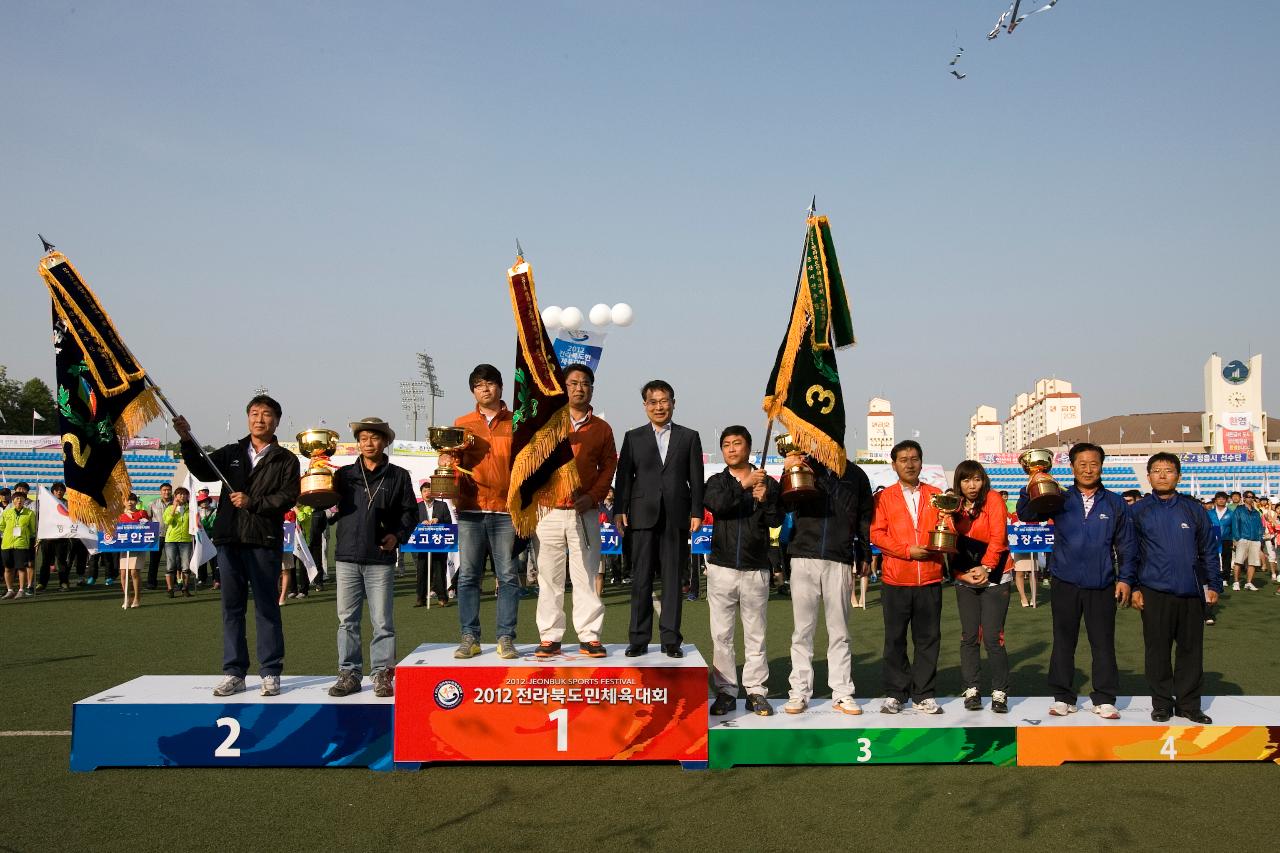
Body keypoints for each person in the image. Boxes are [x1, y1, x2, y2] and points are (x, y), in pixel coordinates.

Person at [174, 395, 300, 698]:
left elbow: (288, 497)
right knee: (232, 608)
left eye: (267, 414)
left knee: (267, 607)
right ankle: (234, 672)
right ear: (248, 418)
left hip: (264, 540)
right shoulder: (231, 452)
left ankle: (270, 671)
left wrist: (252, 502)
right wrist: (187, 440)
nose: (260, 419)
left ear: (276, 421)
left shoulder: (285, 459)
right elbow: (203, 471)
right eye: (254, 413)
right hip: (229, 540)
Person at [1017, 442, 1136, 720]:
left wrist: (1126, 579)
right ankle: (1063, 696)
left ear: (1101, 467)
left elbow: (1127, 545)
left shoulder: (1115, 502)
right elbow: (1026, 514)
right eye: (1082, 464)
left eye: (1093, 464)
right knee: (1063, 640)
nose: (1088, 469)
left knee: (1103, 641)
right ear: (1071, 467)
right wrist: (1032, 482)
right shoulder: (1059, 497)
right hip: (1065, 581)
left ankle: (1105, 697)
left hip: (1102, 582)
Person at [613, 379, 705, 658]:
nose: (659, 407)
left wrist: (697, 511)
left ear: (673, 403)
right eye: (653, 402)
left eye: (664, 401)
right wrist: (619, 509)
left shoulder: (689, 436)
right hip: (641, 516)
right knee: (640, 578)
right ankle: (638, 638)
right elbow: (625, 477)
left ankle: (671, 640)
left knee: (673, 579)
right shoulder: (633, 437)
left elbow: (696, 479)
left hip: (677, 516)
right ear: (645, 406)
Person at [328, 417, 418, 698]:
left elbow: (409, 514)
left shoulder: (398, 476)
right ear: (358, 442)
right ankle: (349, 673)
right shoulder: (342, 475)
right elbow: (327, 510)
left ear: (386, 441)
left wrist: (397, 535)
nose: (369, 443)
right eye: (364, 438)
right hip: (346, 556)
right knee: (347, 620)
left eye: (375, 437)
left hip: (380, 557)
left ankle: (382, 673)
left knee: (382, 621)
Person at [533, 364, 617, 659]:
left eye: (585, 383)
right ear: (563, 387)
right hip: (548, 511)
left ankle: (589, 636)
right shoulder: (546, 422)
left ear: (592, 389)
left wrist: (594, 496)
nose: (579, 388)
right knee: (549, 577)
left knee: (586, 576)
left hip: (585, 511)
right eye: (573, 383)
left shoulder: (602, 428)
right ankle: (550, 636)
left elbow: (609, 466)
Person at [1129, 453, 1219, 724]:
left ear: (1178, 476)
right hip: (1154, 590)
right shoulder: (1138, 511)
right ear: (1149, 477)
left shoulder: (1194, 510)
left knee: (1191, 650)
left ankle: (1189, 705)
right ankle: (1161, 704)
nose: (1163, 475)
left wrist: (1213, 584)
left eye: (1168, 470)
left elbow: (1208, 551)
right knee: (1157, 650)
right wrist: (1134, 586)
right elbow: (1129, 553)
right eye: (1157, 470)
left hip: (1190, 591)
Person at [704, 426, 783, 716]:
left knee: (755, 633)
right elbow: (719, 506)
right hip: (721, 566)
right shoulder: (716, 481)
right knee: (721, 634)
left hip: (755, 568)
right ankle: (725, 691)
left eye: (737, 443)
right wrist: (745, 484)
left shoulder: (768, 483)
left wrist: (765, 500)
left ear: (749, 447)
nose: (732, 449)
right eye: (726, 444)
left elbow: (777, 520)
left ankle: (756, 690)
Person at [871, 440, 946, 714]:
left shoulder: (937, 495)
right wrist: (907, 551)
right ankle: (896, 693)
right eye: (903, 459)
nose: (910, 463)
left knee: (928, 638)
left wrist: (938, 545)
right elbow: (877, 533)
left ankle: (924, 693)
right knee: (895, 639)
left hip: (929, 578)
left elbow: (946, 529)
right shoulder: (882, 498)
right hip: (895, 579)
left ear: (921, 462)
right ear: (894, 465)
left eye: (914, 458)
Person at [451, 364, 520, 659]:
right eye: (479, 385)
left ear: (501, 387)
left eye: (490, 383)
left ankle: (506, 637)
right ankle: (470, 636)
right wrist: (447, 458)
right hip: (471, 508)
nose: (485, 389)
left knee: (507, 576)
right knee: (468, 576)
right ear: (473, 391)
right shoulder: (462, 423)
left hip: (506, 510)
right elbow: (453, 460)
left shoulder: (517, 422)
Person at [949, 461, 1012, 713]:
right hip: (965, 577)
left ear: (983, 480)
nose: (971, 485)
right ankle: (972, 689)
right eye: (965, 480)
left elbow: (999, 537)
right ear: (959, 483)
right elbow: (948, 543)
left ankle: (999, 692)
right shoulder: (953, 504)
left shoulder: (994, 499)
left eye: (976, 479)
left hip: (996, 574)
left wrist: (985, 567)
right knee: (969, 636)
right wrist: (962, 575)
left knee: (994, 637)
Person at [414, 482, 454, 607]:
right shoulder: (417, 506)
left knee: (439, 570)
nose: (427, 493)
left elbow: (449, 522)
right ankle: (421, 598)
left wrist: (438, 520)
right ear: (421, 493)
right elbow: (411, 522)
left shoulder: (442, 505)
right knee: (422, 570)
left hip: (439, 542)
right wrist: (421, 522)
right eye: (425, 491)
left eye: (429, 490)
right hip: (423, 542)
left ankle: (442, 598)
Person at [1, 491, 37, 599]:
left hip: (21, 545)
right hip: (7, 544)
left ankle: (21, 590)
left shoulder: (30, 513)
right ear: (13, 501)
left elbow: (32, 529)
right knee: (8, 568)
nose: (19, 500)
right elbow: (1, 526)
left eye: (22, 499)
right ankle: (10, 590)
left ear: (25, 501)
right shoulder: (6, 513)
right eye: (17, 499)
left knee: (21, 568)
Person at [1228, 491, 1264, 592]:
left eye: (1252, 497)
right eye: (1248, 497)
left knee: (1252, 562)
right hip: (1243, 538)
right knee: (1238, 561)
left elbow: (1260, 526)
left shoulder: (1256, 512)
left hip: (1255, 540)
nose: (1250, 498)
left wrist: (1260, 538)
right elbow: (1235, 524)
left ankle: (1248, 583)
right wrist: (1237, 538)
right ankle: (1236, 582)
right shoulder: (1239, 510)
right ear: (1244, 498)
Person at [162, 487, 195, 598]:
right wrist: (174, 508)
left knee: (185, 566)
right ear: (175, 496)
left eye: (184, 494)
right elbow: (167, 521)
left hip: (186, 540)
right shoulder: (169, 508)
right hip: (171, 540)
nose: (182, 496)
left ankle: (185, 588)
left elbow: (196, 523)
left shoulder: (191, 509)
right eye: (179, 494)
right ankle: (170, 589)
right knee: (170, 566)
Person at [118, 494, 148, 608]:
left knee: (134, 572)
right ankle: (127, 597)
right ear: (123, 502)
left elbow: (148, 527)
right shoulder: (120, 515)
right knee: (123, 573)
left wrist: (144, 524)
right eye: (127, 500)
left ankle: (137, 598)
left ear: (136, 502)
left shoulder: (141, 513)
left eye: (132, 500)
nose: (129, 502)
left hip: (138, 547)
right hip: (124, 547)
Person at [145, 483, 173, 589]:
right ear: (160, 491)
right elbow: (148, 518)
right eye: (164, 490)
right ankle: (151, 582)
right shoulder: (153, 503)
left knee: (172, 561)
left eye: (169, 490)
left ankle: (172, 583)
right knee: (154, 561)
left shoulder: (176, 503)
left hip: (172, 535)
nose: (167, 492)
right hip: (157, 536)